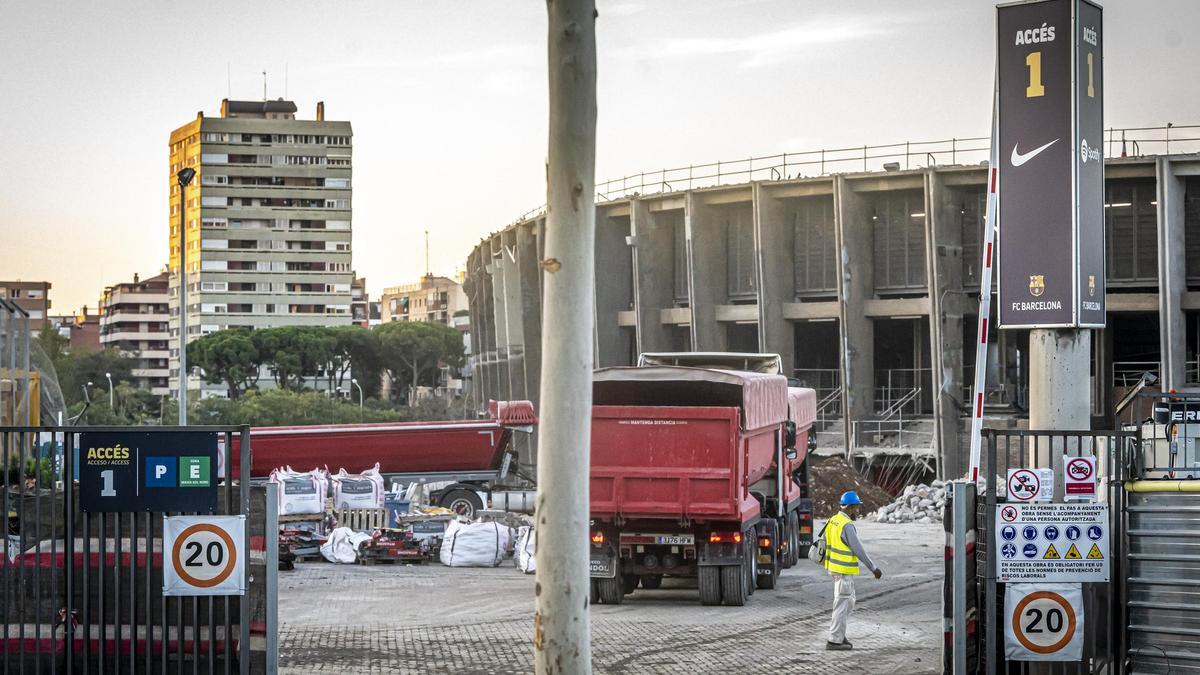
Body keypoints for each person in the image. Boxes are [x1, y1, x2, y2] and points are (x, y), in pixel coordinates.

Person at [824, 490, 882, 650]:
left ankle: (839, 634)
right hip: (843, 572)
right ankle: (834, 640)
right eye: (856, 508)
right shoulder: (846, 525)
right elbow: (859, 550)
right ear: (849, 507)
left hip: (836, 570)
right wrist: (873, 568)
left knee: (848, 602)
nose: (858, 511)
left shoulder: (833, 521)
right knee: (842, 605)